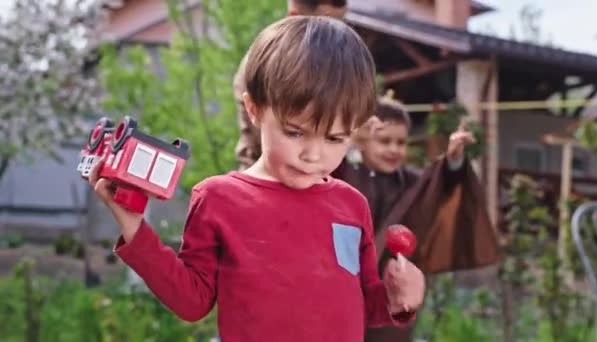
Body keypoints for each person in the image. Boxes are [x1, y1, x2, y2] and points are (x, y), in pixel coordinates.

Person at [89, 17, 425, 342]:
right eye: (295, 132)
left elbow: (364, 303)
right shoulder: (219, 198)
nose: (313, 155)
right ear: (255, 109)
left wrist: (399, 300)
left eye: (335, 139)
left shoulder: (352, 205)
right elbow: (191, 302)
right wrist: (134, 228)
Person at [333, 91, 500, 341]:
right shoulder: (343, 172)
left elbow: (440, 185)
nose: (393, 149)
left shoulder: (411, 183)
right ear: (363, 140)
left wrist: (453, 160)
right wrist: (349, 138)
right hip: (342, 284)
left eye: (401, 142)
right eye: (384, 141)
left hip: (389, 287)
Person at [234, 0, 347, 170]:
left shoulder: (334, 64)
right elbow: (266, 138)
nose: (337, 32)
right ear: (295, 16)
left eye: (342, 22)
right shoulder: (269, 64)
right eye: (327, 22)